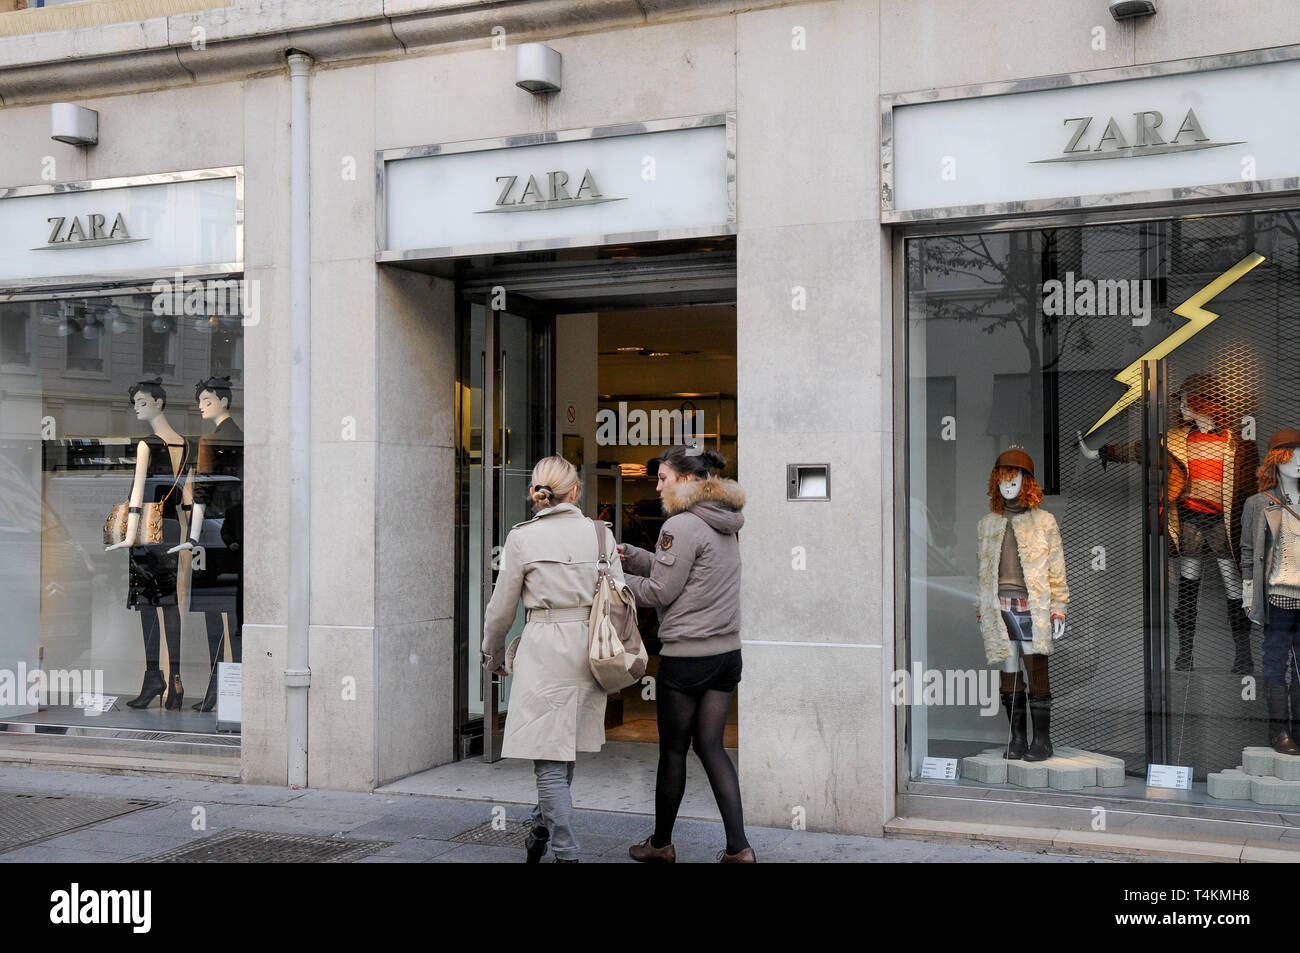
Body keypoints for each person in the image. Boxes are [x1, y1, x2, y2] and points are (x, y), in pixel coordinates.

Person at [481, 455, 620, 863]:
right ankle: (541, 827)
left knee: (549, 758)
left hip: (544, 648)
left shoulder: (522, 537)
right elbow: (619, 597)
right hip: (590, 651)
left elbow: (501, 607)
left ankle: (565, 851)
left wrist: (492, 652)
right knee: (564, 749)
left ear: (537, 493)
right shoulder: (600, 536)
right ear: (574, 491)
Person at [619, 446, 754, 863]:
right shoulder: (725, 520)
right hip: (726, 654)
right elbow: (685, 572)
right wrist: (638, 557)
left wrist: (612, 577)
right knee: (712, 746)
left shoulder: (679, 524)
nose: (657, 486)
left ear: (686, 480)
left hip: (687, 658)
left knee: (673, 750)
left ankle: (660, 845)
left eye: (662, 478)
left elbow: (660, 590)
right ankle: (739, 848)